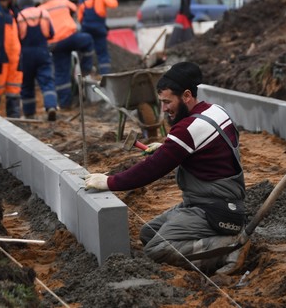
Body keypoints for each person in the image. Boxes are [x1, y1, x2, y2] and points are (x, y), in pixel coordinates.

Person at [84, 62, 249, 275]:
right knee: (148, 234)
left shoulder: (186, 129)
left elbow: (151, 170)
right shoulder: (217, 111)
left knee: (155, 249)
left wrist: (109, 182)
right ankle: (216, 241)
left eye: (167, 102)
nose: (164, 109)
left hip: (215, 210)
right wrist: (167, 149)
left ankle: (228, 248)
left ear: (187, 96)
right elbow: (211, 151)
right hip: (209, 202)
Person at [38, 0, 95, 109]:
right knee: (87, 40)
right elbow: (76, 10)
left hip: (54, 45)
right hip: (70, 38)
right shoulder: (62, 1)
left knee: (61, 73)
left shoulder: (40, 9)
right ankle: (86, 70)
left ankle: (64, 104)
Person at [15, 0, 58, 121]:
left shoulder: (19, 16)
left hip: (26, 54)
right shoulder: (43, 13)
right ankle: (51, 106)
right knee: (47, 81)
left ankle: (29, 113)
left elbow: (17, 37)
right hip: (42, 51)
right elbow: (51, 33)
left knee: (27, 84)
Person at [77, 0, 118, 76]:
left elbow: (80, 18)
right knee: (102, 53)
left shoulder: (82, 0)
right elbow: (114, 4)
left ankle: (87, 74)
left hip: (86, 30)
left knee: (87, 52)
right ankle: (105, 74)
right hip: (99, 29)